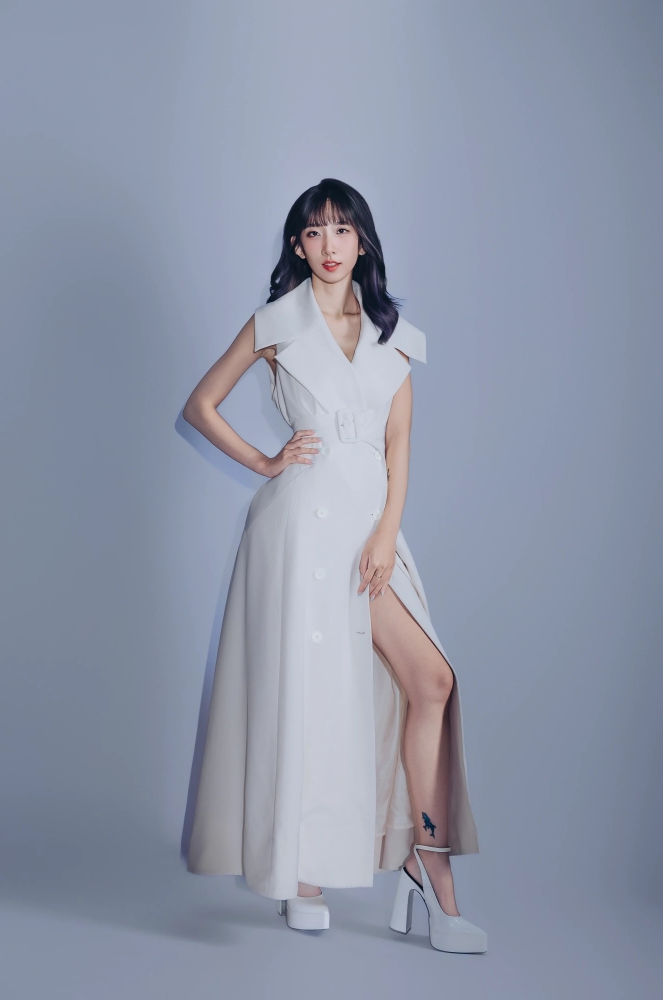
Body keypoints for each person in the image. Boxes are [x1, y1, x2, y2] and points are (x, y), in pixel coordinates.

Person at [182, 178, 487, 953]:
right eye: (313, 232)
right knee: (307, 694)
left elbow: (399, 447)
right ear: (297, 244)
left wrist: (387, 534)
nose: (328, 246)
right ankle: (303, 871)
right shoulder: (277, 324)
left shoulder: (395, 335)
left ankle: (427, 861)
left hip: (370, 532)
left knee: (431, 681)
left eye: (341, 230)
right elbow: (201, 404)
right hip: (299, 530)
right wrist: (266, 461)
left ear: (363, 242)